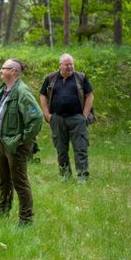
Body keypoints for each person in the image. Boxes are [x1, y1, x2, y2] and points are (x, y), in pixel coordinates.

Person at [0, 59, 43, 226]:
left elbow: (36, 118)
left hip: (15, 145)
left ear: (13, 71)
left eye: (3, 68)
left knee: (20, 183)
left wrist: (22, 139)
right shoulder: (4, 90)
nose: (0, 70)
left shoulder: (22, 92)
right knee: (4, 180)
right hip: (2, 142)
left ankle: (26, 220)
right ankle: (3, 210)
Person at [39, 53, 94, 183]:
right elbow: (42, 95)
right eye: (67, 64)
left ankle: (82, 176)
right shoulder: (51, 78)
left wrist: (84, 115)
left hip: (77, 118)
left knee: (81, 148)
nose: (70, 67)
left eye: (71, 64)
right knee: (61, 149)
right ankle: (65, 176)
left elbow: (90, 95)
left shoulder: (80, 77)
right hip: (57, 119)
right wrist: (47, 114)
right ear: (60, 65)